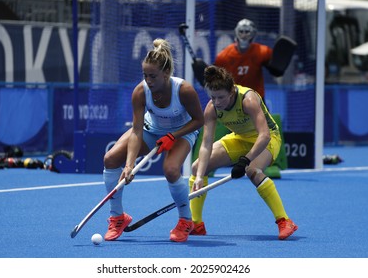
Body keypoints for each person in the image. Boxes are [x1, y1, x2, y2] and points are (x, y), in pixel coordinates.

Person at [102, 38, 204, 242]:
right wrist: (129, 165)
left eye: (153, 76)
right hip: (152, 129)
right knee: (111, 159)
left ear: (166, 73)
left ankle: (186, 220)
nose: (148, 80)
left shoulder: (183, 90)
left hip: (182, 132)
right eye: (145, 75)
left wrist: (173, 136)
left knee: (171, 169)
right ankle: (117, 217)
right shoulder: (140, 91)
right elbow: (137, 130)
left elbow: (199, 120)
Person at [189, 65, 297, 240]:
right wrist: (200, 175)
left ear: (232, 91)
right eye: (213, 97)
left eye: (221, 97)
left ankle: (284, 221)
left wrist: (245, 160)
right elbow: (206, 144)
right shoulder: (211, 108)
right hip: (240, 138)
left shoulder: (248, 100)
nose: (217, 102)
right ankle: (197, 224)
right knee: (197, 167)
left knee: (252, 170)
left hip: (268, 138)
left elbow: (264, 135)